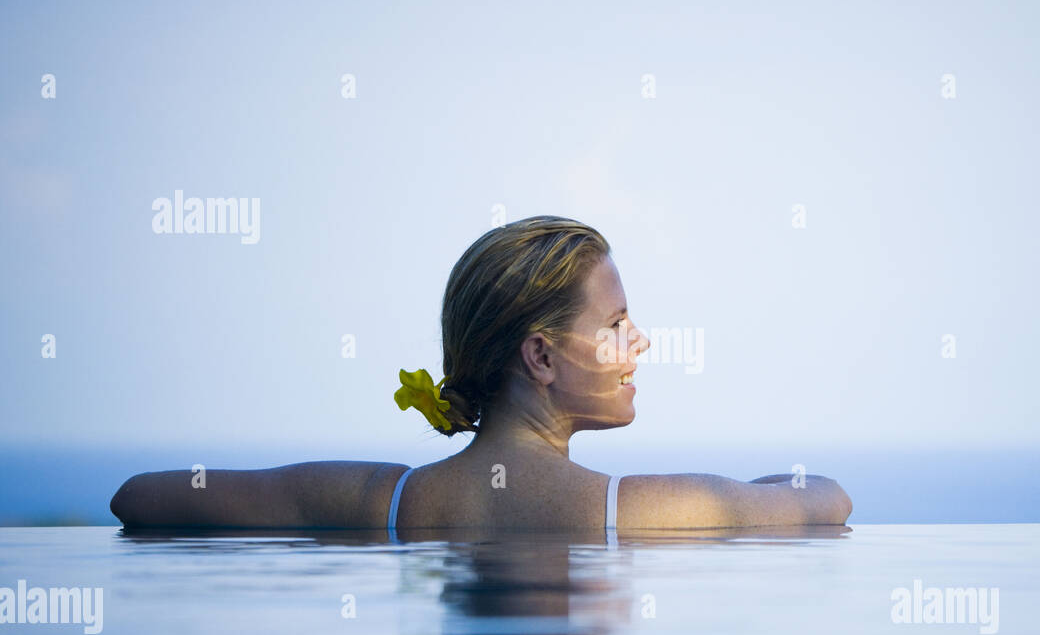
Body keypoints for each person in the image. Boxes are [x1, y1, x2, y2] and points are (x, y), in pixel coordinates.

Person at [110, 216, 852, 532]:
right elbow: (828, 500)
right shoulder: (643, 511)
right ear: (540, 357)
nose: (642, 343)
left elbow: (138, 498)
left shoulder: (384, 502)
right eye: (617, 325)